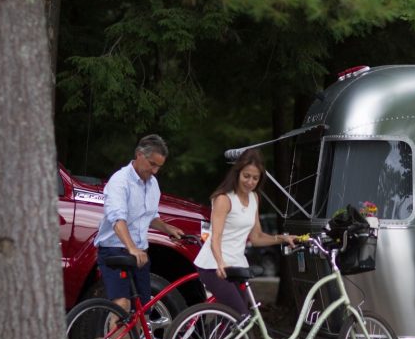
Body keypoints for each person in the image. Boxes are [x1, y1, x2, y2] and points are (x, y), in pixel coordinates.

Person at [194, 148, 295, 318]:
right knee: (240, 316)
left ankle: (215, 336)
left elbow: (256, 237)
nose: (250, 182)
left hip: (237, 266)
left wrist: (283, 238)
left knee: (235, 319)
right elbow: (215, 237)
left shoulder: (254, 198)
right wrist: (220, 262)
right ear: (237, 173)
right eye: (246, 176)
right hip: (213, 265)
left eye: (255, 178)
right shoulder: (224, 199)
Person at [95, 134, 184, 313]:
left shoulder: (153, 184)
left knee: (142, 310)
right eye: (152, 164)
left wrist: (168, 228)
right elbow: (117, 219)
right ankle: (115, 332)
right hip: (115, 250)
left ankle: (135, 333)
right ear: (139, 155)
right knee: (122, 305)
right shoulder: (120, 181)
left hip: (140, 253)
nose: (155, 171)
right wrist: (132, 248)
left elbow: (149, 217)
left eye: (159, 167)